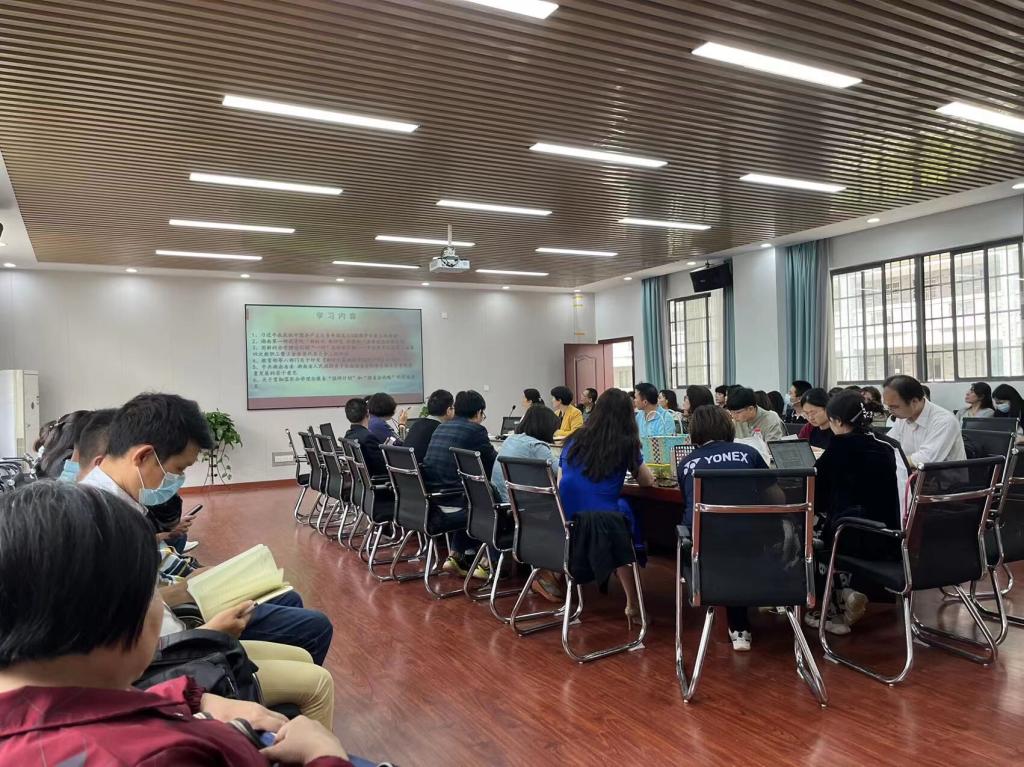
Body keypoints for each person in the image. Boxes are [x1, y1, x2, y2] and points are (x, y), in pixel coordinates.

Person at [0, 482, 352, 766]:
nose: (161, 600)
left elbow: (104, 704)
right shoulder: (160, 755)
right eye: (152, 590)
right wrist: (323, 754)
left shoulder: (60, 691)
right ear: (107, 613)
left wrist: (193, 699)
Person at [81, 393, 334, 666]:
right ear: (143, 456)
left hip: (165, 627)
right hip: (171, 654)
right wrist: (211, 631)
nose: (179, 480)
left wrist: (188, 586)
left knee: (288, 599)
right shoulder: (110, 524)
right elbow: (156, 641)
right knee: (314, 628)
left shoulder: (104, 504)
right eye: (178, 469)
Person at [808, 390, 903, 636]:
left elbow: (816, 495)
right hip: (889, 535)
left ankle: (832, 610)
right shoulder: (885, 446)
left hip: (852, 535)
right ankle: (847, 593)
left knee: (810, 531)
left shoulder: (838, 448)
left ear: (838, 421)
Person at [677, 405, 769, 652]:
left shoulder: (687, 463)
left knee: (718, 541)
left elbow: (688, 503)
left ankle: (733, 622)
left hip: (705, 549)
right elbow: (775, 494)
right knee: (739, 541)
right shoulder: (748, 453)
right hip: (754, 546)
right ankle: (744, 621)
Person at [558, 388, 654, 614]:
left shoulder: (573, 439)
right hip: (603, 521)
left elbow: (561, 480)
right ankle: (632, 603)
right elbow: (647, 481)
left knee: (618, 511)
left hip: (567, 518)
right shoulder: (625, 442)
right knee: (624, 513)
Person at [422, 390, 496, 578]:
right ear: (479, 412)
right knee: (492, 503)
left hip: (432, 498)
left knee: (475, 495)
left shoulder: (441, 428)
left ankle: (455, 555)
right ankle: (488, 562)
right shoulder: (476, 431)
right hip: (453, 498)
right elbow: (492, 464)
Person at [884, 375, 965, 467]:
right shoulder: (902, 417)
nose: (890, 411)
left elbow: (926, 459)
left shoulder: (944, 421)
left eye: (894, 407)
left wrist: (890, 460)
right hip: (911, 472)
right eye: (888, 406)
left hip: (943, 475)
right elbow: (888, 446)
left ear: (914, 401)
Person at [492, 405, 560, 503]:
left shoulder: (510, 439)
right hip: (518, 503)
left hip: (500, 499)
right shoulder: (536, 446)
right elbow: (560, 470)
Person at [404, 388, 454, 463]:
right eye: (453, 408)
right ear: (448, 410)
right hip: (422, 468)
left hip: (406, 467)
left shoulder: (417, 423)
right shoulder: (440, 430)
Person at [344, 397, 387, 477]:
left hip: (361, 481)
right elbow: (383, 467)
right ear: (367, 413)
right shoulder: (368, 437)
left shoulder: (348, 435)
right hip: (378, 481)